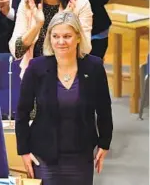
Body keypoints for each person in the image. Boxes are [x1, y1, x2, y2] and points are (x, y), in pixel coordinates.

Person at [15, 11, 113, 185]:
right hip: (44, 156)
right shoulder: (36, 68)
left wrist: (104, 143)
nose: (61, 42)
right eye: (56, 36)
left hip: (81, 156)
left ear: (77, 37)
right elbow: (22, 112)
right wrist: (23, 151)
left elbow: (104, 110)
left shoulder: (94, 67)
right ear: (49, 39)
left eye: (67, 36)